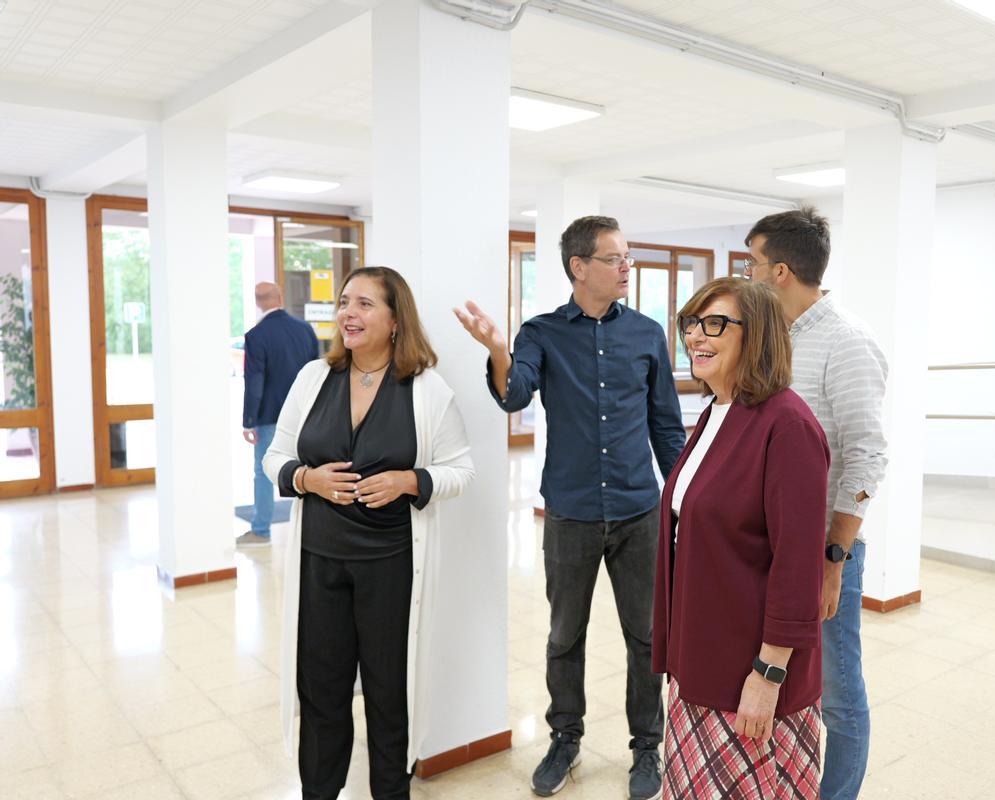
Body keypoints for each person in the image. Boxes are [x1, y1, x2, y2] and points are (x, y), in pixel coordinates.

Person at [454, 216, 685, 799]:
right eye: (615, 258)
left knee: (647, 638)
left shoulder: (647, 333)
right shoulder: (541, 333)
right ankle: (565, 737)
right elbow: (512, 394)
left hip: (639, 511)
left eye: (628, 257)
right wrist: (499, 350)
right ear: (579, 267)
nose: (627, 266)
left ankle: (647, 748)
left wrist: (686, 497)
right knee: (564, 635)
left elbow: (665, 424)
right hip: (572, 513)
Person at [263, 267, 474, 800]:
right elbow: (276, 457)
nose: (347, 314)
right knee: (322, 691)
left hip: (391, 566)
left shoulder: (427, 391)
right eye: (343, 303)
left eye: (363, 304)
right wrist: (305, 477)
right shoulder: (314, 378)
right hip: (320, 562)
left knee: (388, 693)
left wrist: (412, 479)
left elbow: (460, 469)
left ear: (395, 319)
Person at [653, 277, 829, 799]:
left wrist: (767, 674)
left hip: (749, 671)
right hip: (702, 654)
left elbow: (798, 566)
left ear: (758, 336)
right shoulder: (715, 412)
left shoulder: (787, 425)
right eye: (691, 323)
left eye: (716, 324)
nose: (695, 337)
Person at [744, 207, 888, 800]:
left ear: (779, 270)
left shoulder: (848, 342)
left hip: (823, 552)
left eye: (751, 262)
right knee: (779, 684)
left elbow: (867, 456)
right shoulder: (772, 337)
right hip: (766, 548)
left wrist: (835, 557)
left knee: (837, 692)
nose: (746, 274)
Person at [239, 281, 319, 548]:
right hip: (306, 413)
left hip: (270, 415)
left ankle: (261, 530)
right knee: (308, 469)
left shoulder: (256, 335)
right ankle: (310, 528)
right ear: (280, 297)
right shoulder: (305, 329)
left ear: (258, 301)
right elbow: (317, 372)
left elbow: (255, 381)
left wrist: (249, 420)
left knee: (263, 471)